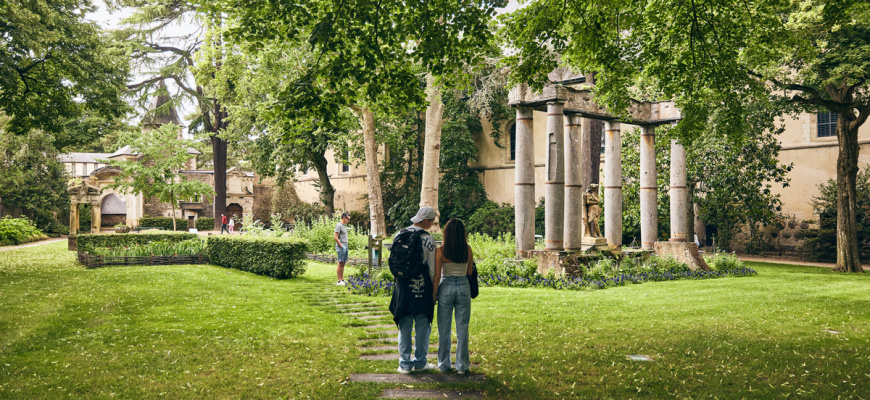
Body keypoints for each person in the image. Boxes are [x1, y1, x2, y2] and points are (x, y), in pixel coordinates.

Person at [389, 206, 438, 374]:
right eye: (431, 221)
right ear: (425, 221)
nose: (432, 225)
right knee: (423, 325)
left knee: (405, 325)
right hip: (422, 286)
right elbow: (432, 268)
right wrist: (433, 292)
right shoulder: (428, 240)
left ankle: (404, 364)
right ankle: (420, 362)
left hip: (402, 286)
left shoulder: (399, 234)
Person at [433, 218, 473, 374]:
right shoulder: (467, 249)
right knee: (462, 327)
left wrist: (434, 294)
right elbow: (469, 272)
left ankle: (443, 365)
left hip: (446, 286)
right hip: (464, 286)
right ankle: (462, 366)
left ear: (446, 233)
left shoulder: (440, 251)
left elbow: (437, 275)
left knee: (444, 328)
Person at [334, 212, 351, 285]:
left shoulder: (344, 226)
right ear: (344, 217)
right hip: (341, 246)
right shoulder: (338, 225)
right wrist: (341, 245)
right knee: (340, 263)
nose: (349, 221)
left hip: (345, 246)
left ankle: (342, 279)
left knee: (343, 263)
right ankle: (339, 280)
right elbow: (335, 237)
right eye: (348, 219)